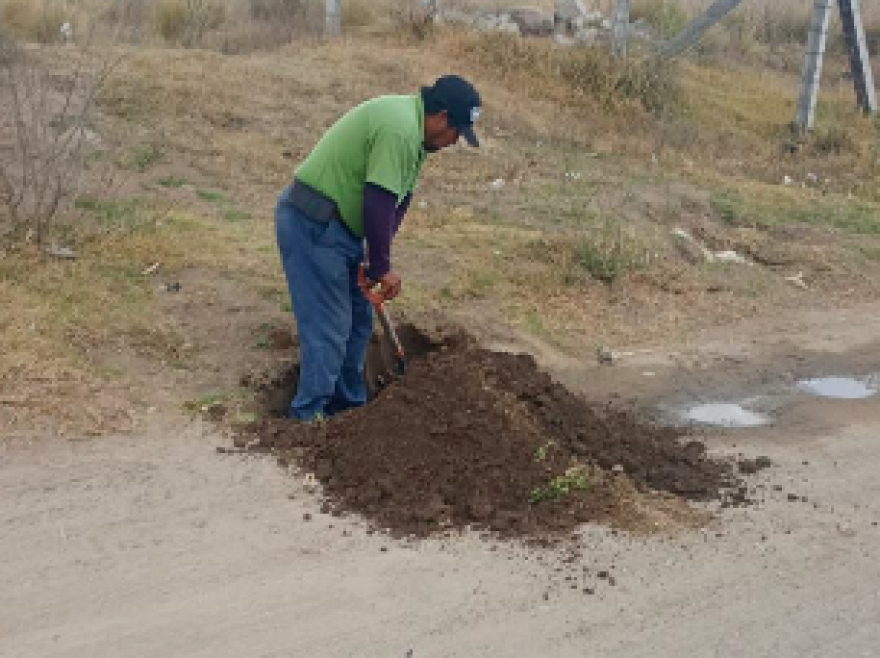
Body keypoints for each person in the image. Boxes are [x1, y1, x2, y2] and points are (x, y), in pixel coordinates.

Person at [275, 75, 482, 420]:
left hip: (344, 231)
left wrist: (375, 259)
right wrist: (383, 267)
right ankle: (306, 418)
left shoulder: (418, 139)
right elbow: (378, 201)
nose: (454, 141)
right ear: (441, 117)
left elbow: (399, 201)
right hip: (314, 224)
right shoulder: (399, 129)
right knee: (331, 326)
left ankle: (350, 412)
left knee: (358, 324)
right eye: (456, 133)